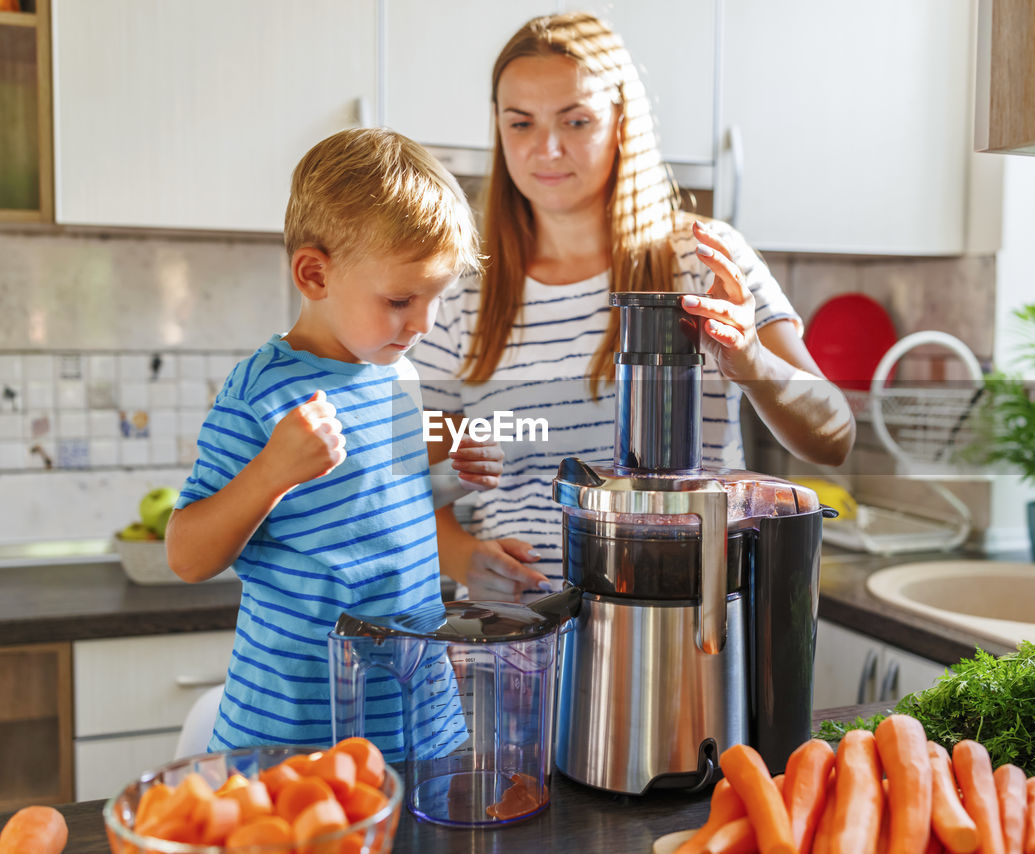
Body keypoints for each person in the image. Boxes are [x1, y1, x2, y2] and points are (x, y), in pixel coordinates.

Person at [413, 13, 856, 602]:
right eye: (521, 123)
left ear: (622, 122)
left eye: (576, 120)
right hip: (519, 646)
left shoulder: (701, 260)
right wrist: (463, 555)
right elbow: (414, 479)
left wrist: (750, 359)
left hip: (685, 629)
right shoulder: (463, 293)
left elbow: (834, 435)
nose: (547, 148)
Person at [165, 127, 500, 756]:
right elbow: (186, 554)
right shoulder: (260, 392)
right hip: (298, 730)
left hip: (415, 716)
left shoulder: (393, 369)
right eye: (402, 298)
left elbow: (385, 454)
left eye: (436, 297)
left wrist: (456, 440)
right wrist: (273, 472)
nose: (424, 323)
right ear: (315, 274)